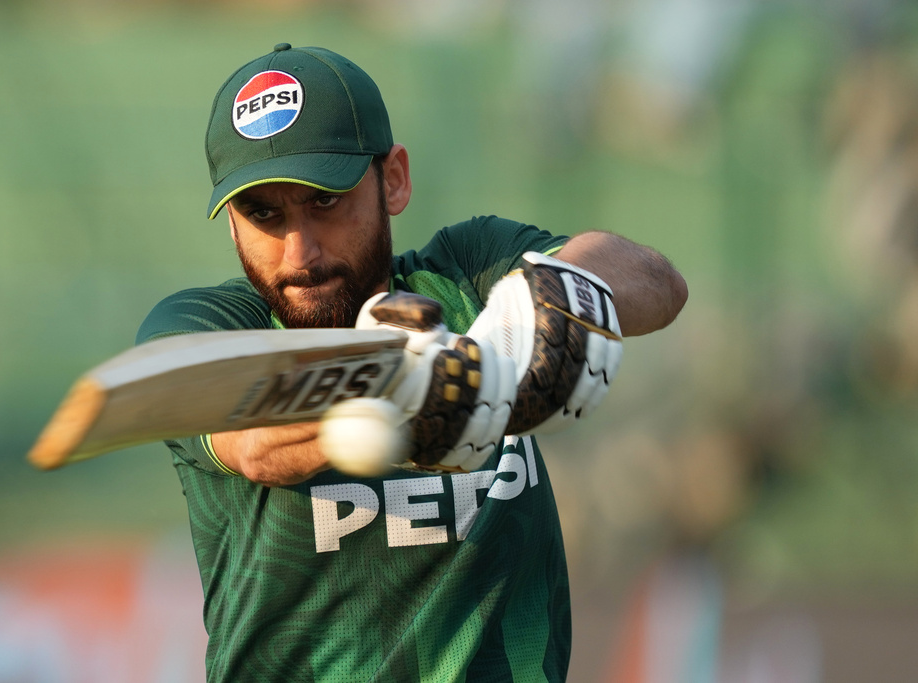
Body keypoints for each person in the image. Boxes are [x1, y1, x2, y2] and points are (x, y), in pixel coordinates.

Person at [137, 43, 687, 683]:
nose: (300, 252)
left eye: (324, 200)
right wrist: (402, 382)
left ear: (392, 179)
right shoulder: (202, 327)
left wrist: (537, 312)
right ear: (232, 224)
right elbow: (254, 440)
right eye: (264, 215)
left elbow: (656, 281)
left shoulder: (466, 272)